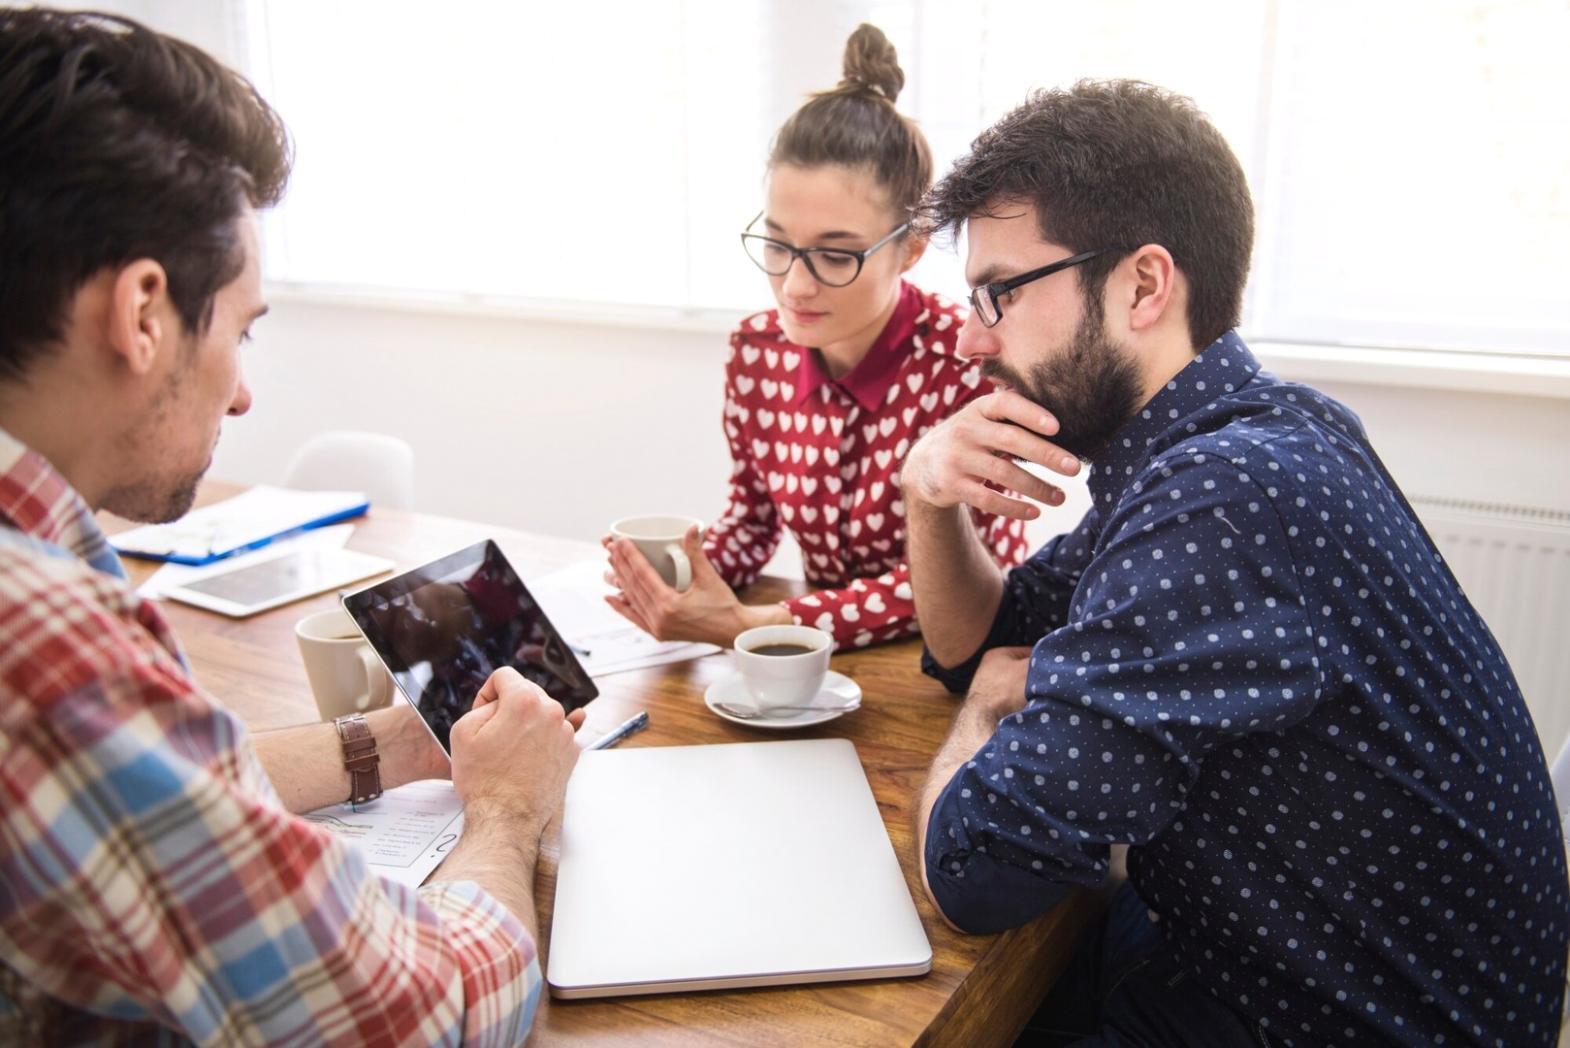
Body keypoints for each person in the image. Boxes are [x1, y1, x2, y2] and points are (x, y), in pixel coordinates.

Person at [902, 80, 1569, 1045]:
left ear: (1142, 284)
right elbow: (988, 639)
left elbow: (975, 869)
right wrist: (929, 496)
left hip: (1315, 1017)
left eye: (1000, 292)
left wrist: (981, 714)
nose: (971, 339)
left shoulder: (1227, 497)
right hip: (1268, 957)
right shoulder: (1241, 439)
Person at [0, 10, 579, 1043]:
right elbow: (418, 1012)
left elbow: (162, 794)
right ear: (141, 313)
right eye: (240, 327)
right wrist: (504, 810)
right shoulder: (40, 642)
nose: (242, 398)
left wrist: (398, 743)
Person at [605, 24, 1029, 651]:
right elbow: (751, 524)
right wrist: (678, 578)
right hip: (807, 670)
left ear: (910, 248)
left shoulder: (969, 363)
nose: (795, 286)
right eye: (778, 245)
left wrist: (756, 625)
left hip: (952, 669)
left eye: (836, 256)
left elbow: (985, 577)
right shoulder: (757, 352)